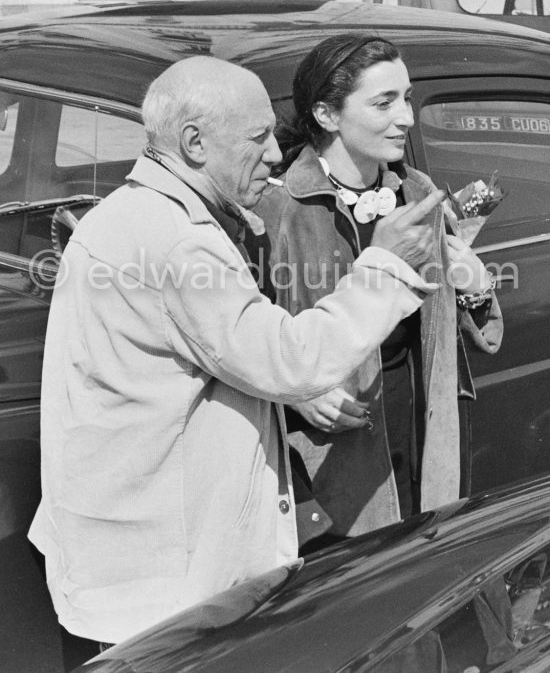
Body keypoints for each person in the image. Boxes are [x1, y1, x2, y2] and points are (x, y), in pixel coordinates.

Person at [28, 55, 444, 666]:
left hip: (137, 564)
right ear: (194, 143)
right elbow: (289, 360)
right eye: (257, 139)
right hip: (159, 588)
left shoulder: (138, 214)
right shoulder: (176, 240)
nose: (277, 154)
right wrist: (384, 266)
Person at [258, 34, 503, 547]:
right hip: (334, 450)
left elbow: (447, 320)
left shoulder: (417, 194)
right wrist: (294, 393)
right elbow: (238, 340)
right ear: (327, 115)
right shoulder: (279, 210)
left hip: (418, 420)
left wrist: (477, 286)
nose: (407, 118)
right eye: (384, 102)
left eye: (407, 97)